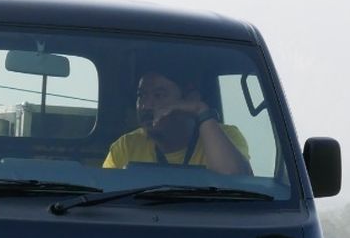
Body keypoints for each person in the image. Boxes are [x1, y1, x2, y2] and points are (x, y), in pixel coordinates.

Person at [103, 67, 251, 175]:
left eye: (159, 95)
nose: (145, 106)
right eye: (141, 96)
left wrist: (200, 110)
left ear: (189, 100)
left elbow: (237, 183)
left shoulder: (225, 137)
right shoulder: (126, 146)